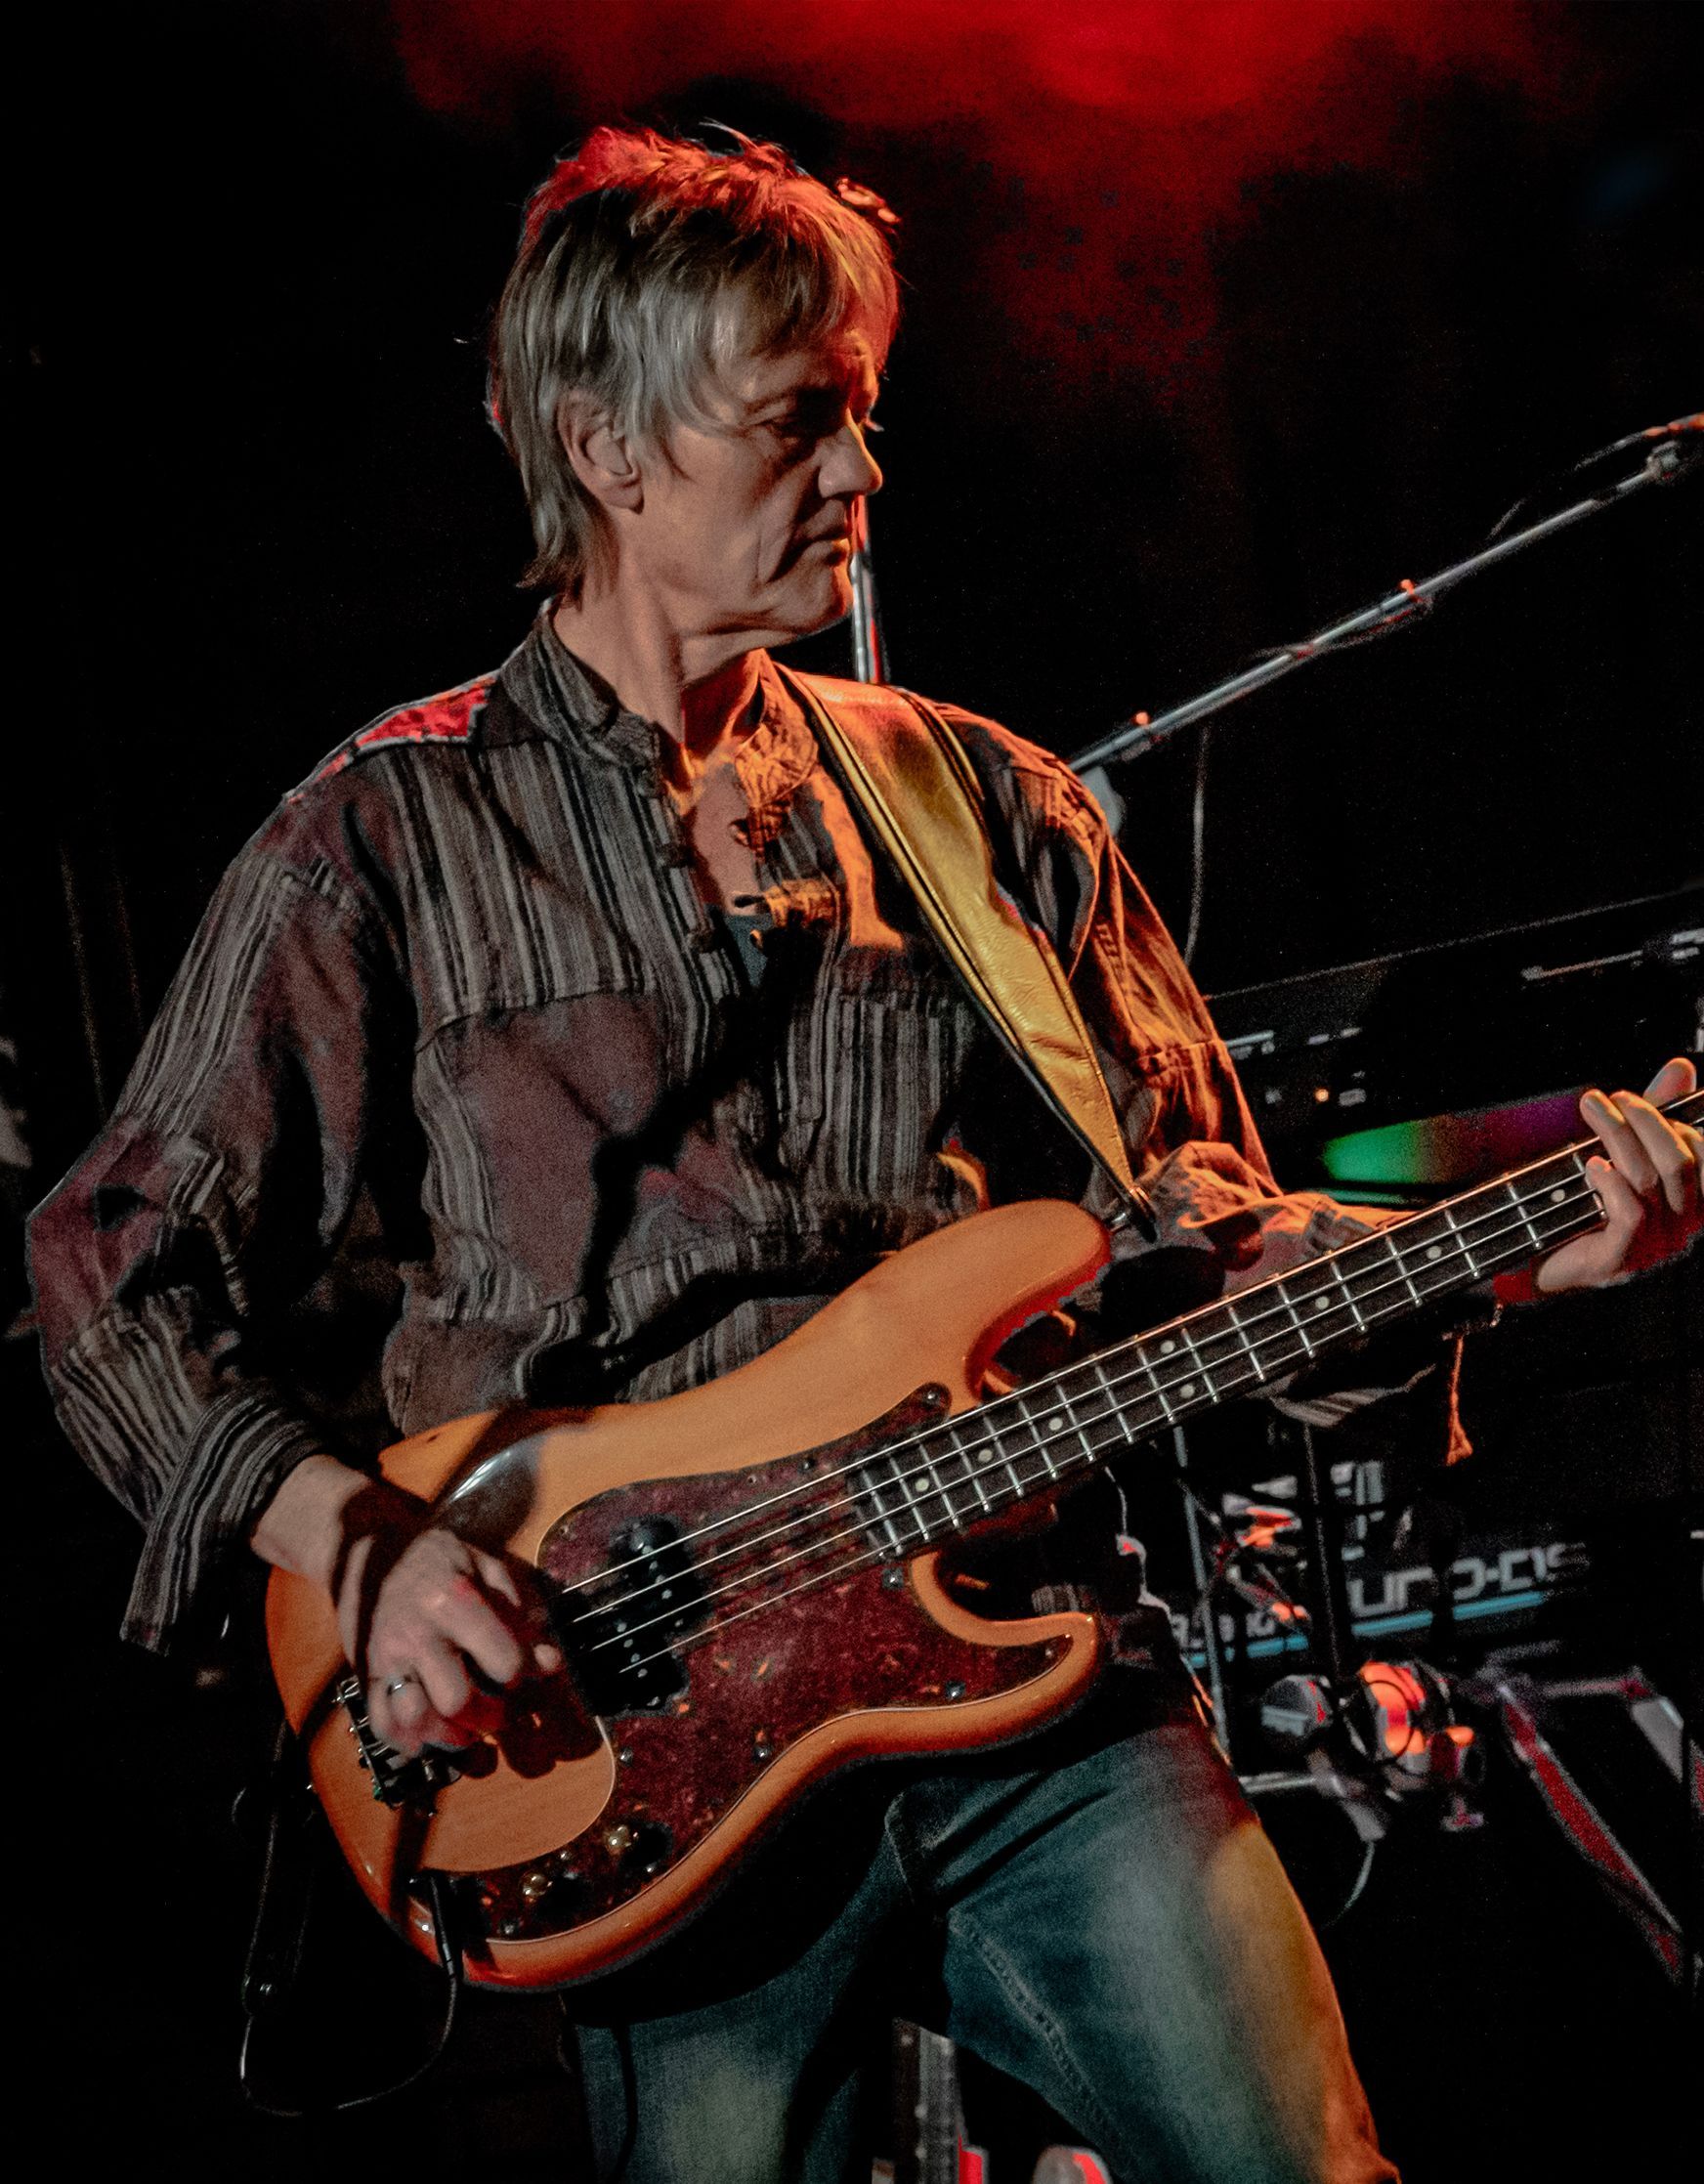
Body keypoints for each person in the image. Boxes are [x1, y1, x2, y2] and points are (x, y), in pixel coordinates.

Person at [28, 129, 1701, 2183]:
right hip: (626, 1716)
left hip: (1027, 1684)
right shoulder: (381, 837)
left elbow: (1192, 1220)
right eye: (794, 425)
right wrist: (352, 1547)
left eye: (864, 418)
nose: (858, 477)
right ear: (607, 446)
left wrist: (1507, 1249)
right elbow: (107, 1257)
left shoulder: (976, 805)